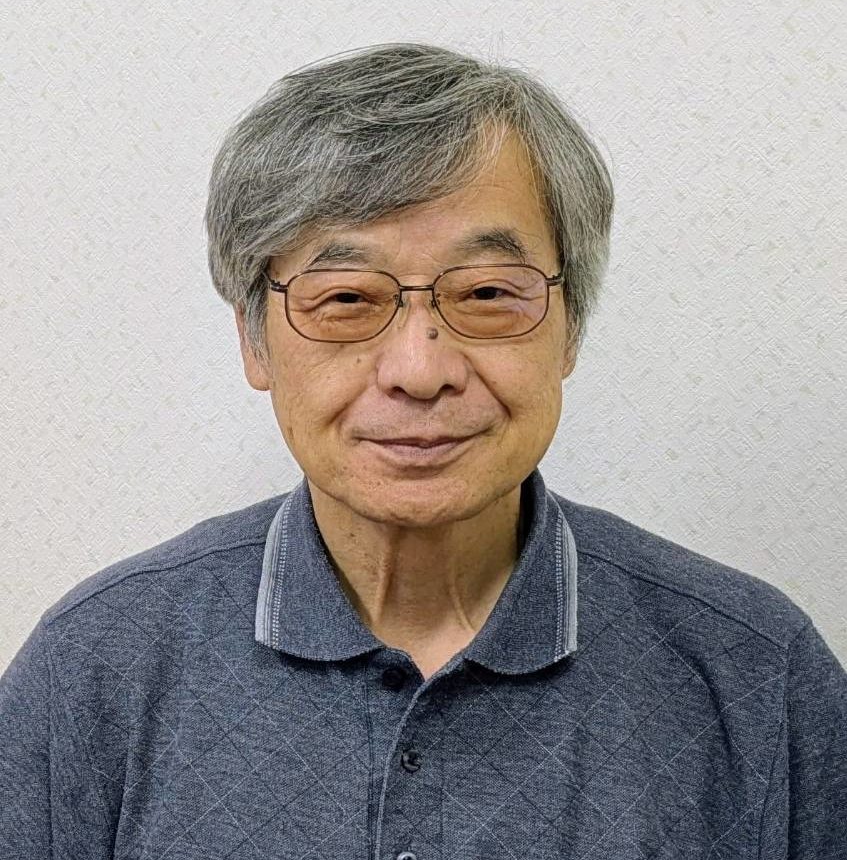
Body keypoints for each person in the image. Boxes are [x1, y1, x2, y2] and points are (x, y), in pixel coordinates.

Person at [1, 42, 845, 860]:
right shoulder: (95, 668)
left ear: (570, 329)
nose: (418, 370)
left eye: (486, 292)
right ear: (254, 342)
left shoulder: (755, 675)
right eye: (346, 298)